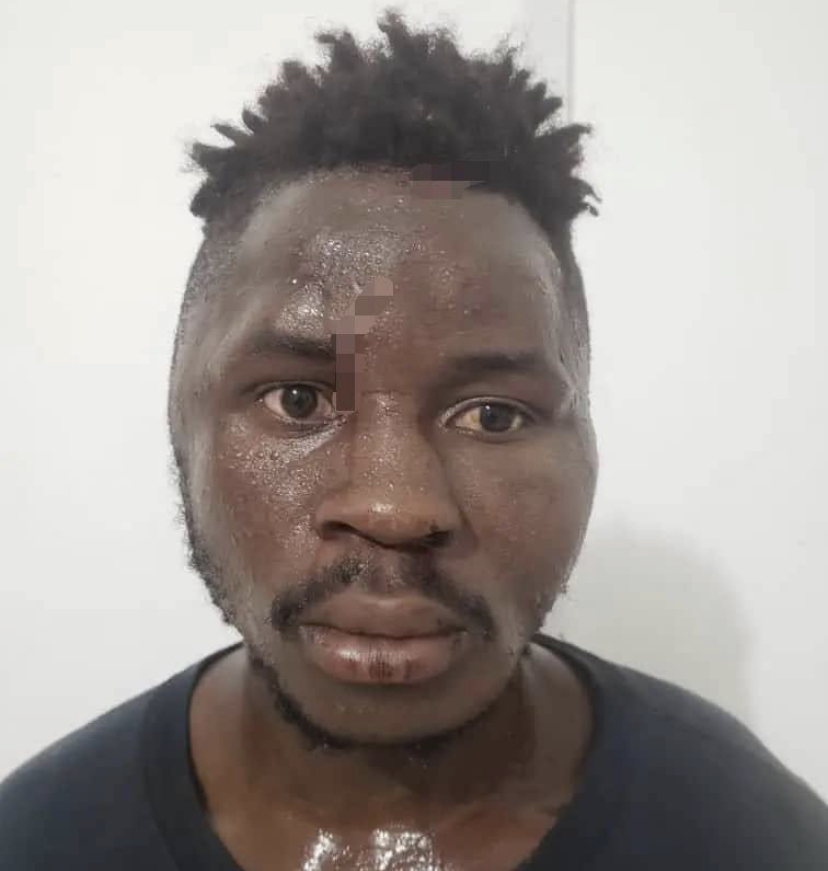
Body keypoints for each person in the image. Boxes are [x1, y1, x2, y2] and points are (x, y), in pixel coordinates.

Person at [1, 10, 826, 870]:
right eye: (297, 399)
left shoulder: (752, 835)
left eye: (493, 415)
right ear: (183, 419)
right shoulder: (40, 840)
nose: (395, 508)